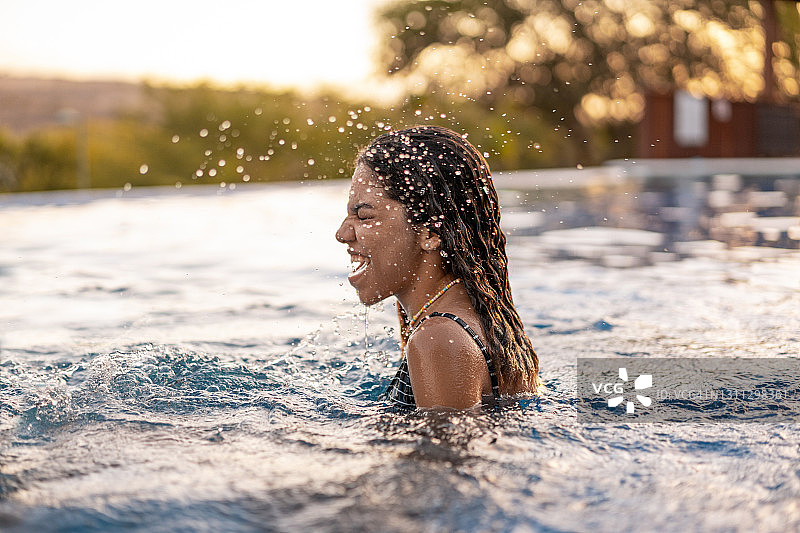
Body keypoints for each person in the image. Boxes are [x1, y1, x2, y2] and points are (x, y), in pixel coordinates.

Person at [335, 125, 539, 409]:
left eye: (365, 216)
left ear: (430, 234)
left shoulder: (438, 339)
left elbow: (446, 453)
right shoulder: (483, 322)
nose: (343, 233)